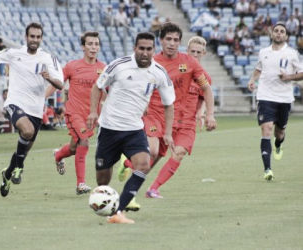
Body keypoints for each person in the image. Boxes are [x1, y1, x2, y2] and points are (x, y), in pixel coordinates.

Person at [117, 23, 216, 199]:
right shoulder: (151, 62)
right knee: (153, 152)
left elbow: (206, 89)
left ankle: (153, 188)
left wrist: (208, 114)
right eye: (168, 39)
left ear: (180, 43)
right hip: (156, 114)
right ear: (161, 41)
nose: (171, 43)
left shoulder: (189, 63)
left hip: (184, 120)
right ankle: (128, 164)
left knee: (179, 153)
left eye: (175, 40)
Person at [87, 32, 175, 224]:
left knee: (143, 165)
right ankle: (108, 205)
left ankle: (117, 212)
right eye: (141, 48)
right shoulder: (119, 65)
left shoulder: (159, 73)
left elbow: (169, 104)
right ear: (135, 48)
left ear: (153, 50)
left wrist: (168, 133)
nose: (145, 53)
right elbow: (97, 87)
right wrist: (93, 112)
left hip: (134, 129)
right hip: (109, 128)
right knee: (102, 181)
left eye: (149, 49)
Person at [0, 22, 64, 197]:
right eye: (32, 36)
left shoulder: (48, 58)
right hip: (15, 102)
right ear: (26, 37)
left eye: (38, 37)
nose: (35, 40)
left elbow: (60, 84)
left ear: (41, 39)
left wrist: (49, 78)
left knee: (24, 147)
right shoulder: (14, 53)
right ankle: (20, 168)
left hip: (36, 109)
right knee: (27, 131)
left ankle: (7, 173)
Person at [47, 31, 106, 195]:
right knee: (84, 142)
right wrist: (43, 98)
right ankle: (81, 184)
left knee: (75, 148)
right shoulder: (72, 66)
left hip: (91, 116)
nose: (93, 47)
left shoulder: (103, 69)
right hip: (74, 113)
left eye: (96, 44)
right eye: (90, 44)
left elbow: (108, 91)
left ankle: (58, 155)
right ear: (83, 46)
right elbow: (57, 83)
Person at [247, 23, 303, 181]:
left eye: (282, 32)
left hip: (284, 98)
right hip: (265, 97)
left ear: (285, 36)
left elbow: (301, 73)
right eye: (276, 31)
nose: (278, 33)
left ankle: (278, 144)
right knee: (266, 129)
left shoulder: (292, 53)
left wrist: (289, 77)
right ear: (272, 34)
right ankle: (267, 169)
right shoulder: (263, 52)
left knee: (279, 133)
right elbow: (259, 68)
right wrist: (253, 79)